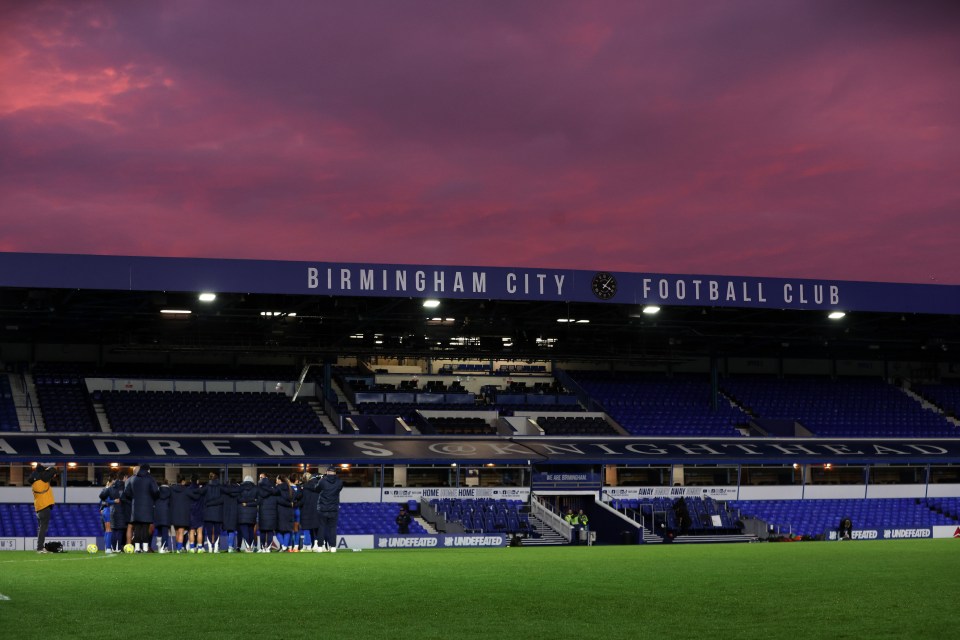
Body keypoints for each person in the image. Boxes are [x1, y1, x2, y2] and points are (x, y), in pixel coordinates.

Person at [123, 464, 160, 553]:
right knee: (145, 527)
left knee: (137, 527)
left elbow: (126, 492)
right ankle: (145, 547)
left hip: (135, 506)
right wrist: (152, 498)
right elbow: (156, 491)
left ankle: (137, 548)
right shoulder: (150, 479)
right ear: (148, 470)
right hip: (147, 505)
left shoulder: (132, 478)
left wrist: (134, 498)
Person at [29, 463, 59, 553]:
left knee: (41, 528)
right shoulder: (43, 481)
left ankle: (40, 547)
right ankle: (40, 548)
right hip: (45, 506)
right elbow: (53, 470)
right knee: (43, 528)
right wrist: (48, 470)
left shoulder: (35, 483)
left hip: (38, 507)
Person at [316, 466, 344, 552]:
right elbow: (338, 490)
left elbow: (316, 489)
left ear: (327, 472)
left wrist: (321, 479)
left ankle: (320, 547)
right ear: (335, 473)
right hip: (333, 508)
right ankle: (333, 547)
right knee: (332, 528)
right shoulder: (339, 482)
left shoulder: (322, 481)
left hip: (323, 508)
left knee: (321, 527)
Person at [237, 475, 260, 552]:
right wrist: (251, 501)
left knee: (244, 530)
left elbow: (238, 499)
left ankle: (248, 547)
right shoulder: (256, 489)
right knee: (251, 530)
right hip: (252, 512)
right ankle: (251, 546)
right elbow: (257, 501)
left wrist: (245, 503)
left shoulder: (240, 488)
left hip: (242, 512)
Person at [299, 471, 321, 551]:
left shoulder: (305, 487)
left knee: (309, 528)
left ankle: (309, 545)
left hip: (307, 509)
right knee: (317, 527)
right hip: (318, 509)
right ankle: (320, 545)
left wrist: (296, 504)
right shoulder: (319, 486)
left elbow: (303, 500)